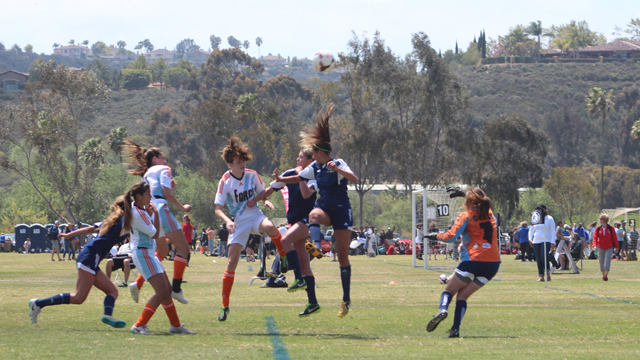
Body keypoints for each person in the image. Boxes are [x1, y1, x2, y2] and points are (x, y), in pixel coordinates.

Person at [273, 105, 359, 318]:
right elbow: (298, 178)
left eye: (313, 152)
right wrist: (280, 180)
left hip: (342, 212)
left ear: (320, 153)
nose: (311, 155)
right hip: (324, 209)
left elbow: (354, 179)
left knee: (342, 258)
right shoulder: (316, 168)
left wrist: (338, 169)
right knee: (313, 215)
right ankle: (317, 247)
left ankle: (346, 299)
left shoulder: (337, 163)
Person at [29, 190, 136, 328]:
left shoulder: (112, 221)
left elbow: (88, 229)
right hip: (90, 256)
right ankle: (38, 303)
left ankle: (107, 315)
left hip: (91, 257)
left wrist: (69, 235)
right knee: (78, 297)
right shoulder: (123, 222)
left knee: (113, 291)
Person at [214, 136, 281, 322]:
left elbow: (263, 192)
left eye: (244, 160)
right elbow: (217, 209)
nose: (243, 163)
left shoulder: (252, 174)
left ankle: (282, 256)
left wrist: (265, 200)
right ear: (230, 164)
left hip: (254, 215)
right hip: (238, 221)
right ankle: (224, 305)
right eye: (239, 161)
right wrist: (228, 221)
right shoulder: (225, 181)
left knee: (270, 226)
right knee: (231, 262)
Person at [250, 147, 321, 316]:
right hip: (294, 220)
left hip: (306, 219)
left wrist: (302, 176)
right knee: (304, 263)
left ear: (311, 161)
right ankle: (312, 302)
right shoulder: (290, 173)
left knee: (284, 241)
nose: (298, 160)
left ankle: (298, 278)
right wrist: (255, 201)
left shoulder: (314, 175)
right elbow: (271, 188)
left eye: (301, 157)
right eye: (297, 157)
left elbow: (305, 195)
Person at [425, 187, 500, 338]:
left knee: (449, 291)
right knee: (463, 296)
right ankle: (455, 329)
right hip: (493, 264)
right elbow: (480, 202)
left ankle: (443, 310)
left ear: (468, 201)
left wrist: (436, 235)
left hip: (474, 260)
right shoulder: (490, 214)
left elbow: (451, 237)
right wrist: (465, 193)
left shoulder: (466, 215)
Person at [123, 141, 191, 305]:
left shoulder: (147, 173)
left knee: (162, 250)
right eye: (163, 157)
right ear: (155, 158)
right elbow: (165, 194)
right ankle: (176, 289)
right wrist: (183, 207)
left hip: (152, 210)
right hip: (160, 209)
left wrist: (169, 191)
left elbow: (158, 193)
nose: (166, 161)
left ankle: (137, 283)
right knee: (184, 249)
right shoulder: (165, 169)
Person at [127, 182, 194, 335]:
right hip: (144, 254)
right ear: (139, 196)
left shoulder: (138, 208)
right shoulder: (139, 213)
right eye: (148, 194)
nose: (151, 197)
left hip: (148, 253)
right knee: (162, 292)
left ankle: (175, 326)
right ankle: (139, 325)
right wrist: (156, 213)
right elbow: (155, 234)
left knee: (167, 290)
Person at [528, 205, 556, 282]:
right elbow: (531, 229)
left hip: (546, 239)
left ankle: (548, 274)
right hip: (536, 240)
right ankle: (541, 276)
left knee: (543, 257)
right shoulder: (535, 219)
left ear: (544, 210)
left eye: (540, 209)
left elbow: (553, 230)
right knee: (538, 259)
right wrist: (530, 239)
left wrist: (553, 241)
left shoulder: (549, 218)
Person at [592, 214, 618, 281]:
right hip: (601, 247)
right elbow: (595, 237)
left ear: (605, 220)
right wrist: (594, 245)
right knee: (601, 261)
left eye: (601, 219)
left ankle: (606, 275)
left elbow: (614, 238)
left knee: (607, 261)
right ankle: (603, 275)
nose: (600, 220)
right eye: (600, 218)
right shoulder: (598, 228)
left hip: (609, 247)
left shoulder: (610, 228)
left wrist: (617, 246)